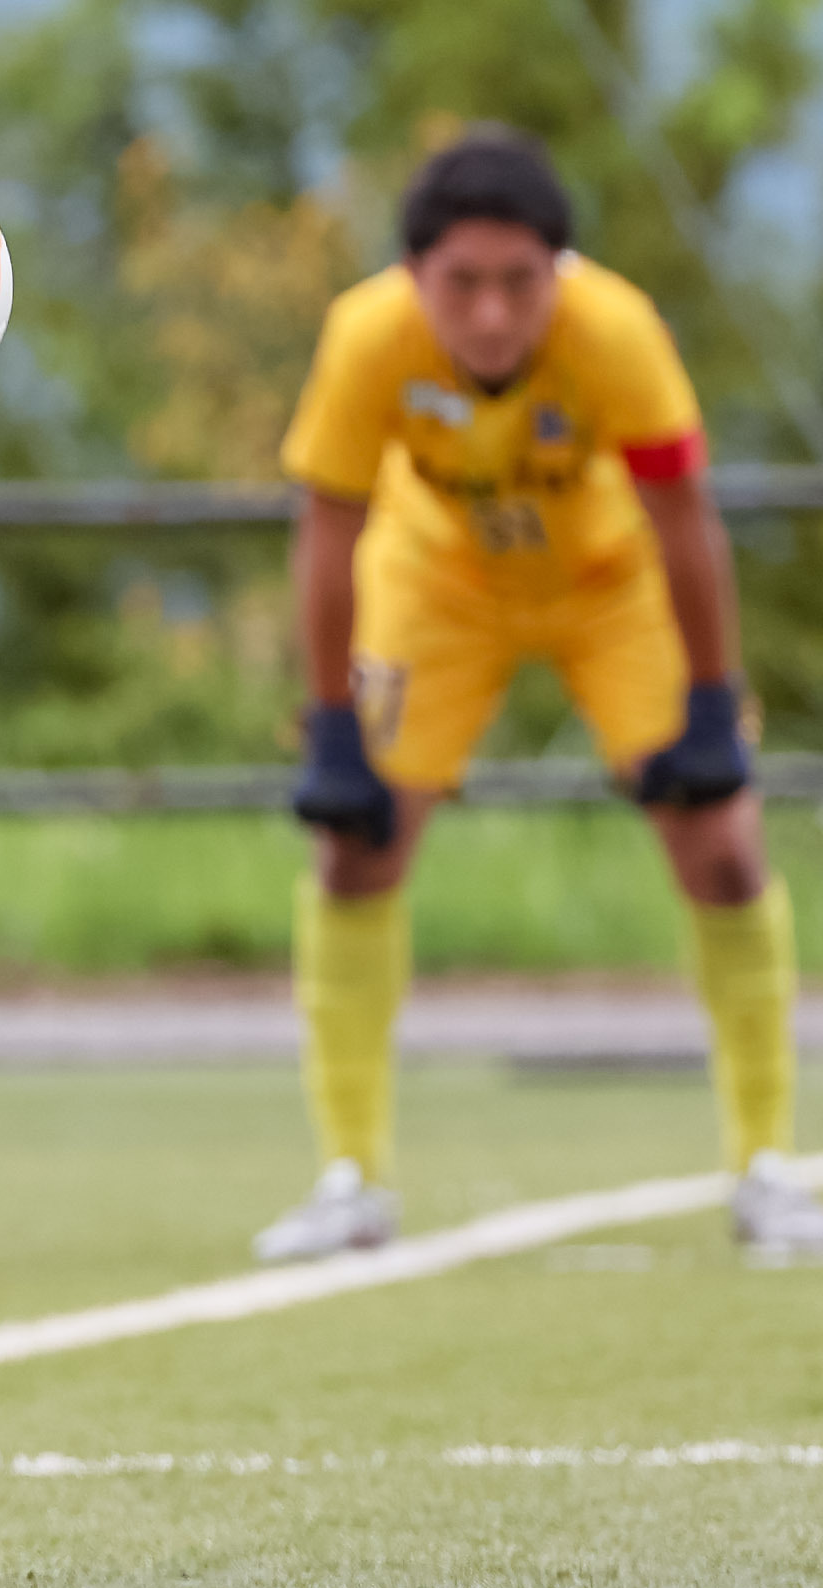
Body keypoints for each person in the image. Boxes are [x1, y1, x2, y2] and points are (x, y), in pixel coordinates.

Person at [255, 125, 823, 1263]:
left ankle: (767, 1167)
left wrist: (711, 702)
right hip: (438, 587)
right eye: (462, 284)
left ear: (556, 271)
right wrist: (328, 725)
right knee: (355, 849)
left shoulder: (613, 329)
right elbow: (328, 533)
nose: (492, 316)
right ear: (415, 275)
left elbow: (683, 520)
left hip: (609, 587)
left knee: (720, 845)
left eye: (520, 282)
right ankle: (350, 1179)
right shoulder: (366, 337)